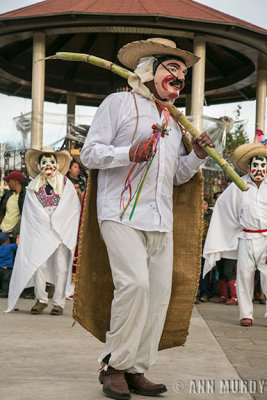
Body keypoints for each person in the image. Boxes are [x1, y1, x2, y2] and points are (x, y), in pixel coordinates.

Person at [79, 37, 214, 400]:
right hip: (119, 213)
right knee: (135, 285)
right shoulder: (118, 103)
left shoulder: (173, 120)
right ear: (149, 71)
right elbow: (89, 154)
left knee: (157, 296)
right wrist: (128, 152)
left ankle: (138, 369)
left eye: (183, 73)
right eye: (173, 69)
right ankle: (114, 365)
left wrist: (197, 155)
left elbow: (174, 176)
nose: (180, 77)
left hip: (161, 220)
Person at [6, 146, 81, 316]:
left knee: (62, 267)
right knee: (39, 264)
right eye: (44, 162)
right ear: (39, 166)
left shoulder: (65, 184)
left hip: (61, 230)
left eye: (51, 161)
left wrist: (58, 221)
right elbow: (30, 211)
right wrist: (44, 222)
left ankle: (59, 303)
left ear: (57, 164)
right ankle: (40, 299)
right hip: (40, 230)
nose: (48, 165)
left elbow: (72, 207)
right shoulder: (33, 186)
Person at [203, 138, 267, 327]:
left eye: (263, 166)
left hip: (266, 238)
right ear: (248, 167)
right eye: (255, 165)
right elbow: (223, 208)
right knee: (244, 275)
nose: (259, 170)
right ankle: (246, 314)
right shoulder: (238, 186)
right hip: (246, 237)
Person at [0, 171, 25, 241]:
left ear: (15, 181)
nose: (7, 183)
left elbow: (24, 217)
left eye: (9, 181)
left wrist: (15, 234)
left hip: (11, 234)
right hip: (2, 230)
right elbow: (2, 211)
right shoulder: (8, 195)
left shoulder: (25, 197)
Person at [198, 198, 213, 302]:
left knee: (205, 270)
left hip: (206, 246)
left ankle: (204, 292)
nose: (203, 206)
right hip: (195, 247)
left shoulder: (212, 217)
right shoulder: (194, 215)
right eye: (201, 204)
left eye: (205, 204)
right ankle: (195, 292)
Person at [0, 232, 18, 297]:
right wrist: (18, 237)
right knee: (6, 282)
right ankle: (4, 294)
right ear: (6, 240)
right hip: (7, 269)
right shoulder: (10, 247)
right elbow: (18, 244)